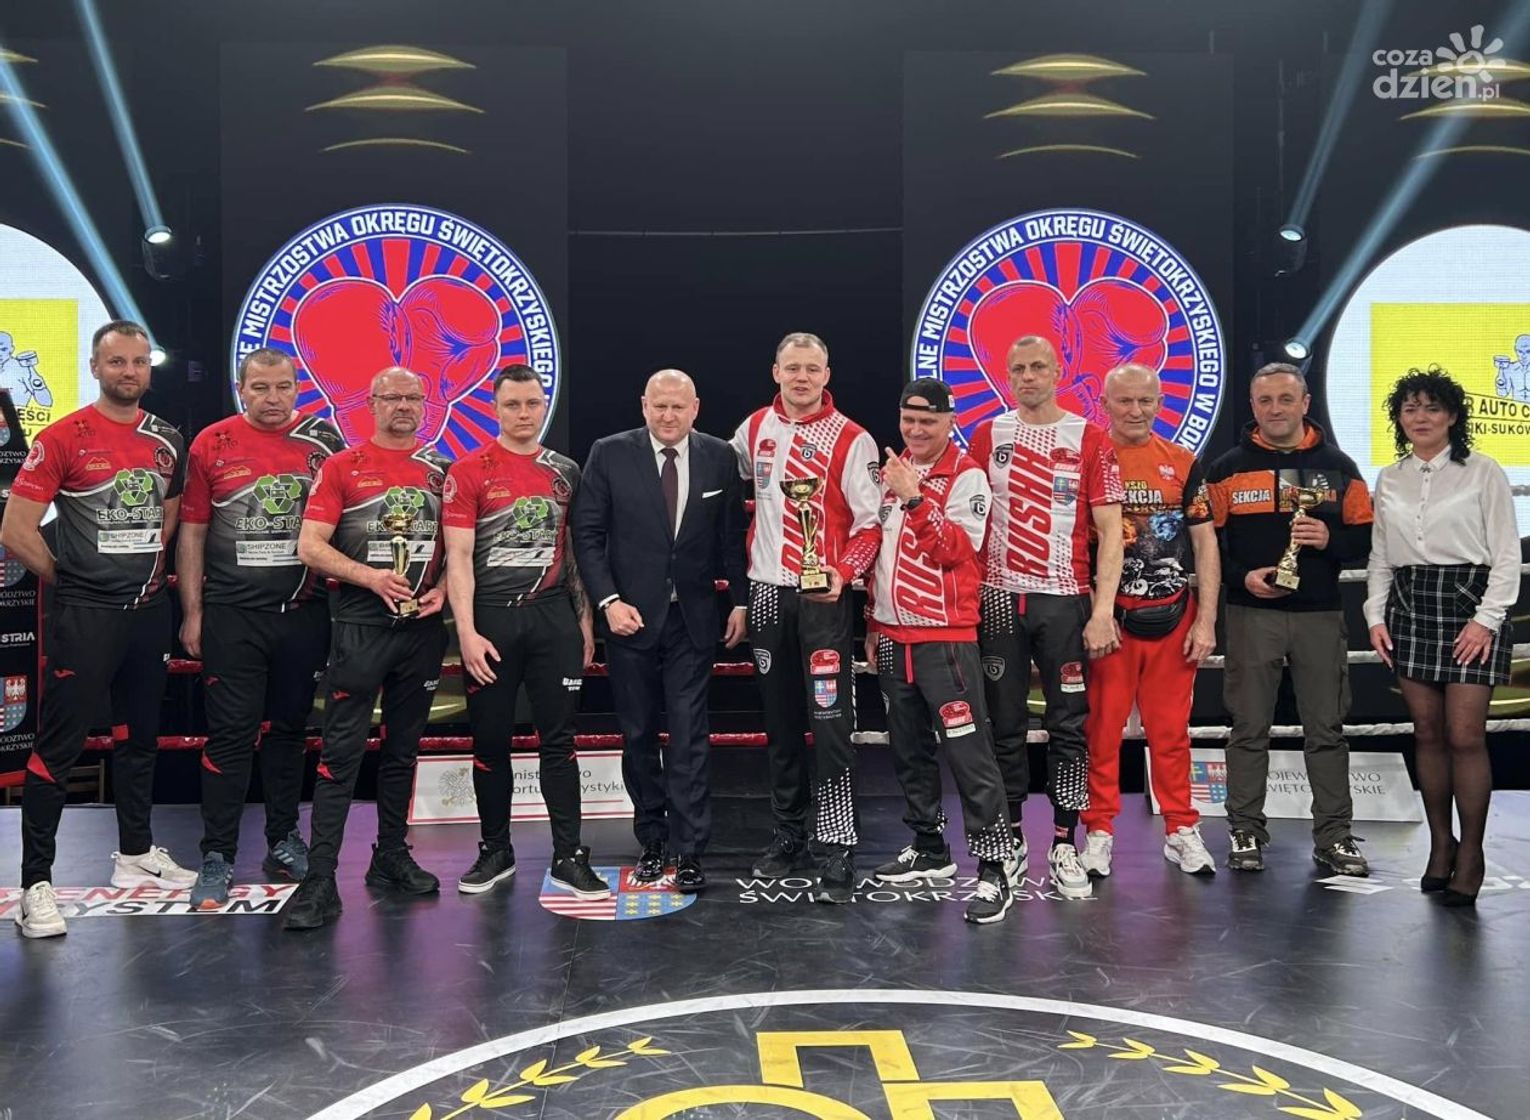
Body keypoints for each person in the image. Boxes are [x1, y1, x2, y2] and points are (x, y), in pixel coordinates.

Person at [3, 320, 193, 939]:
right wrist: (70, 578)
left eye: (139, 362)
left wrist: (141, 569)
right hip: (85, 616)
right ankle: (35, 883)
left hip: (148, 613)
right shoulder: (63, 436)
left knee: (140, 736)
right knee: (59, 747)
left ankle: (135, 853)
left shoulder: (167, 439)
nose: (129, 372)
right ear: (95, 367)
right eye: (117, 362)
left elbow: (168, 516)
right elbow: (15, 530)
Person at [282, 367, 450, 930]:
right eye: (392, 397)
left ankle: (391, 855)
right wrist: (371, 577)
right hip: (360, 623)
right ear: (372, 403)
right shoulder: (341, 466)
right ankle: (320, 878)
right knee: (341, 753)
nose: (403, 405)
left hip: (421, 628)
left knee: (403, 749)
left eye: (412, 397)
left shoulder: (440, 471)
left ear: (424, 404)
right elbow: (310, 546)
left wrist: (444, 588)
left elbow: (460, 549)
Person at [178, 348, 345, 909]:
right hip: (232, 615)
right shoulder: (211, 443)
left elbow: (344, 525)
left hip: (304, 613)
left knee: (291, 731)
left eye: (283, 387)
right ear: (241, 388)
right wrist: (193, 611)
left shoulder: (324, 442)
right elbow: (193, 532)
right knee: (230, 736)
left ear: (297, 388)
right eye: (261, 388)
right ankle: (217, 854)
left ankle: (283, 838)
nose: (273, 398)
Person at [572, 369, 749, 893]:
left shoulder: (719, 456)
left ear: (695, 408)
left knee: (691, 733)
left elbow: (731, 537)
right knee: (639, 733)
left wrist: (740, 601)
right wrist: (608, 602)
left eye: (678, 406)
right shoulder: (609, 452)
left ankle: (690, 849)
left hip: (692, 618)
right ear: (643, 405)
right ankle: (652, 839)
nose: (668, 415)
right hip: (629, 617)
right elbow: (587, 533)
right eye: (659, 405)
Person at [442, 365, 609, 900]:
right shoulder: (468, 470)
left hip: (553, 618)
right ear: (495, 409)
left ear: (544, 405)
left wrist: (584, 621)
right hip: (491, 618)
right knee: (490, 740)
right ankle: (496, 849)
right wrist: (466, 632)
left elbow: (576, 550)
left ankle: (569, 855)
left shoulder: (566, 471)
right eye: (512, 404)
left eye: (532, 403)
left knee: (559, 740)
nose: (523, 413)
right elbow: (458, 557)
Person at [968, 335, 1124, 901]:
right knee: (1003, 725)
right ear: (1006, 375)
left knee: (1069, 726)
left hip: (1063, 599)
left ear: (1058, 372)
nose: (1028, 376)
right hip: (999, 598)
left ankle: (1064, 842)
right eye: (1018, 368)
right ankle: (1010, 839)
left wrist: (1102, 611)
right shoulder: (987, 434)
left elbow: (1111, 531)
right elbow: (968, 518)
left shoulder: (1090, 437)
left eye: (1038, 366)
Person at [730, 332, 881, 903]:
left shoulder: (854, 438)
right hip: (768, 594)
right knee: (781, 723)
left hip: (824, 598)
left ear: (826, 374)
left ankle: (837, 845)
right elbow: (718, 487)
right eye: (792, 367)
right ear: (776, 371)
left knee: (832, 722)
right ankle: (788, 834)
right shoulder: (751, 430)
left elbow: (870, 526)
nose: (801, 378)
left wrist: (844, 573)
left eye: (811, 369)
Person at [1206, 362, 1374, 875]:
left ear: (1305, 403)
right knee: (1247, 727)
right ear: (1252, 406)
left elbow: (1368, 537)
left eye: (1285, 399)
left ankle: (1335, 836)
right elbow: (1206, 545)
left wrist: (1330, 540)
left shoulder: (1340, 466)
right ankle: (1245, 830)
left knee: (1326, 729)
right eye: (1265, 400)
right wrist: (1242, 578)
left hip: (1319, 614)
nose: (1275, 409)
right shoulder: (1226, 469)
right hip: (1251, 612)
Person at [1366, 367, 1521, 906]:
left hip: (1471, 603)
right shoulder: (1390, 477)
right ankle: (1440, 845)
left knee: (1465, 736)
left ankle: (1472, 854)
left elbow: (1507, 554)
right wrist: (1375, 616)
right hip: (1410, 604)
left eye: (1432, 407)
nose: (1421, 417)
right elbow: (1381, 557)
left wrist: (1486, 619)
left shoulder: (1483, 471)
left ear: (1453, 415)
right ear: (1399, 419)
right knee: (1427, 733)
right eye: (1410, 408)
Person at [865, 378, 1014, 923]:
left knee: (970, 754)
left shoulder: (967, 474)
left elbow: (956, 549)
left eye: (928, 420)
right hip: (892, 636)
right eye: (909, 419)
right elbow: (881, 553)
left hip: (945, 638)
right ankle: (929, 846)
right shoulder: (894, 470)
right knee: (908, 750)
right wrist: (872, 621)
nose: (916, 429)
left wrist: (914, 497)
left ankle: (995, 868)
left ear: (950, 421)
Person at [1078, 364, 1219, 879]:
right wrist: (1095, 611)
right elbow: (1075, 544)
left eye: (1145, 401)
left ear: (1160, 403)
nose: (1135, 410)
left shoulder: (1182, 462)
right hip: (1111, 621)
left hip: (1173, 617)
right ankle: (1098, 831)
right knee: (1102, 730)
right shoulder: (1089, 460)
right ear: (1105, 404)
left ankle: (1181, 828)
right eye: (1124, 401)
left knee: (1170, 731)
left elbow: (1205, 543)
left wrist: (1206, 621)